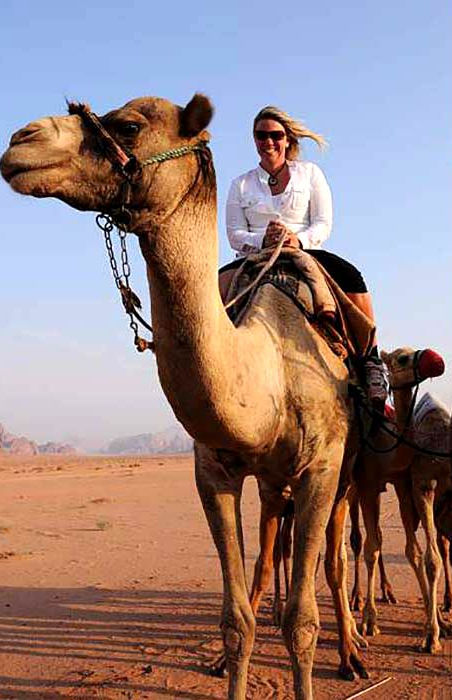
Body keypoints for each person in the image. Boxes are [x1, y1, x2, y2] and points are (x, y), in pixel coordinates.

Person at [224, 105, 387, 405]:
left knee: (352, 278)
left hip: (306, 251)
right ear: (254, 139)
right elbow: (234, 233)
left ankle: (371, 360)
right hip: (256, 256)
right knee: (211, 292)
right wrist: (264, 239)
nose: (268, 141)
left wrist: (297, 240)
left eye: (275, 135)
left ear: (287, 139)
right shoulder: (240, 184)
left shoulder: (310, 173)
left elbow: (323, 223)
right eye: (261, 135)